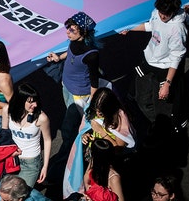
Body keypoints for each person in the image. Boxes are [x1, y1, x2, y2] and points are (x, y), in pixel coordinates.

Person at [121, 0, 188, 130]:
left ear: (174, 12)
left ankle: (167, 127)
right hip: (149, 61)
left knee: (162, 106)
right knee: (141, 99)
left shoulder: (177, 29)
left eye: (166, 14)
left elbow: (176, 56)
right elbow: (151, 26)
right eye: (160, 12)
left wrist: (167, 84)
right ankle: (157, 125)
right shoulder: (157, 13)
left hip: (164, 69)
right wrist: (130, 29)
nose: (162, 16)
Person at [47, 12, 99, 182]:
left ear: (83, 32)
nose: (67, 32)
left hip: (80, 96)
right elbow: (69, 53)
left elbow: (94, 81)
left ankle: (66, 162)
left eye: (72, 30)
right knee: (72, 122)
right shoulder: (73, 42)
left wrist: (92, 105)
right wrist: (58, 57)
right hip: (67, 88)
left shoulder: (91, 54)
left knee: (69, 131)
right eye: (68, 28)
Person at [63, 87, 134, 198]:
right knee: (90, 181)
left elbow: (119, 147)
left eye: (101, 111)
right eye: (96, 109)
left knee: (107, 187)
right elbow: (85, 128)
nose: (97, 113)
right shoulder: (92, 110)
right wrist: (85, 136)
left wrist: (101, 131)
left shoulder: (120, 118)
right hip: (94, 155)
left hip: (109, 159)